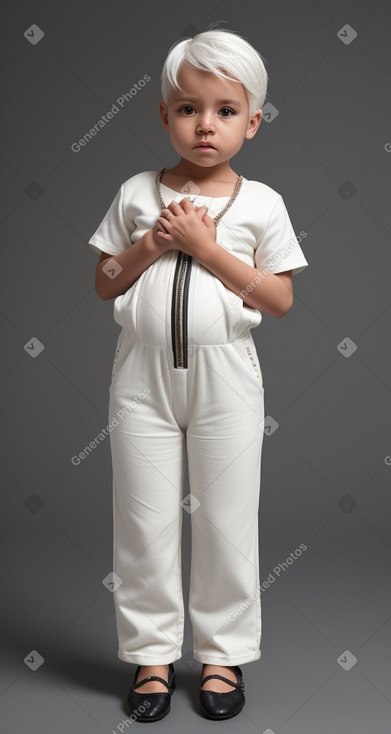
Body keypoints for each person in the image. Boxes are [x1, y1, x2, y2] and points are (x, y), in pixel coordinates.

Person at [88, 26, 309, 722]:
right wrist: (154, 240)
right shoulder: (135, 193)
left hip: (226, 378)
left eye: (223, 109)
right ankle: (152, 659)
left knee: (226, 519)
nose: (204, 124)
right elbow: (104, 283)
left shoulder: (262, 204)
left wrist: (206, 249)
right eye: (187, 108)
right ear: (163, 115)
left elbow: (277, 300)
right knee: (143, 518)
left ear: (253, 120)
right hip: (141, 377)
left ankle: (221, 656)